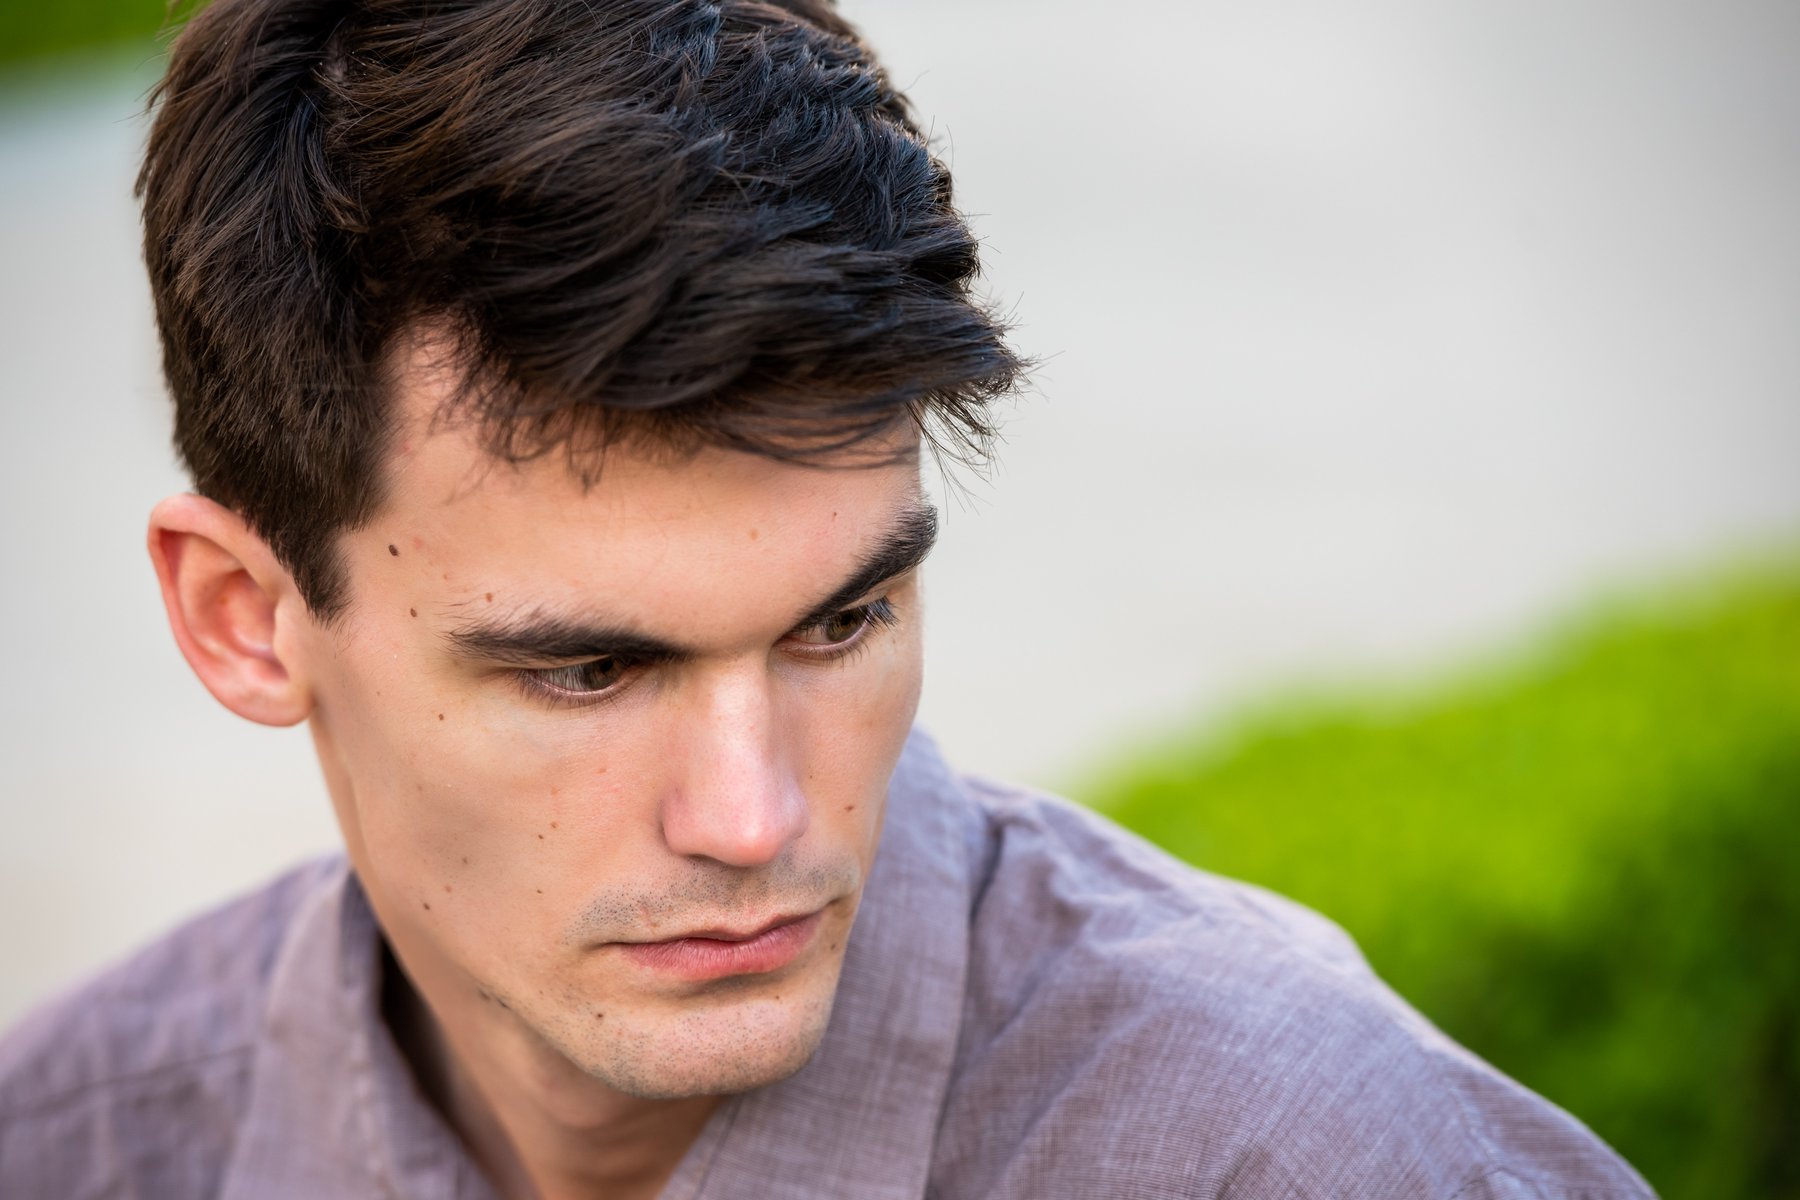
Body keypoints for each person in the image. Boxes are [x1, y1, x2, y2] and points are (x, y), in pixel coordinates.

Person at [0, 1, 1654, 1196]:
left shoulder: (1314, 1159)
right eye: (587, 671)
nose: (757, 818)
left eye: (841, 623)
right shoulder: (70, 1145)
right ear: (241, 615)